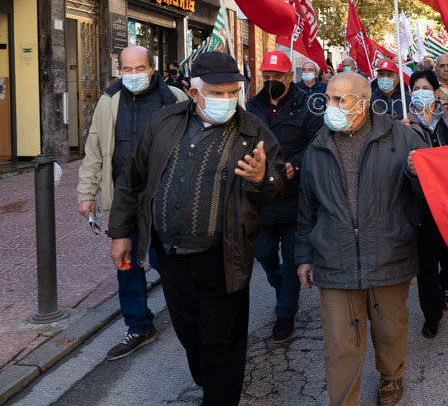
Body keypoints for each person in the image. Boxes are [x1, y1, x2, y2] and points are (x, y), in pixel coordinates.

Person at [108, 51, 285, 406]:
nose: (226, 100)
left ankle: (220, 395)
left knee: (222, 342)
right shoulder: (163, 122)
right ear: (193, 93)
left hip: (223, 257)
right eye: (216, 93)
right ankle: (210, 380)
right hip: (171, 255)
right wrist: (120, 233)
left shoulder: (254, 132)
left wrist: (261, 177)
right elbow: (132, 180)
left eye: (232, 92)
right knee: (191, 334)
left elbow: (277, 185)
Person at [297, 72, 428, 406]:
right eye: (328, 98)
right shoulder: (317, 146)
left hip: (389, 255)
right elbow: (306, 208)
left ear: (363, 102)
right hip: (334, 259)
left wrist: (416, 176)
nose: (331, 107)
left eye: (340, 100)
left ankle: (391, 376)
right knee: (341, 343)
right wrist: (303, 256)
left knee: (390, 331)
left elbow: (430, 198)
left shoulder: (403, 138)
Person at [76, 46, 187, 360]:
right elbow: (95, 150)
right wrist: (86, 193)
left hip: (166, 201)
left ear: (152, 69)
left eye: (139, 68)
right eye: (127, 69)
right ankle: (139, 326)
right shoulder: (109, 101)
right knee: (126, 265)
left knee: (172, 263)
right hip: (126, 203)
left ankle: (189, 321)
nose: (133, 75)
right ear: (119, 70)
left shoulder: (175, 98)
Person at [246, 51, 322, 342]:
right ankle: (281, 287)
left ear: (290, 76)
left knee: (292, 258)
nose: (272, 81)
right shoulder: (253, 105)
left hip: (295, 197)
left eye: (277, 76)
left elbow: (318, 141)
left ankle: (285, 313)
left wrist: (298, 164)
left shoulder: (307, 105)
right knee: (263, 253)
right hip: (263, 197)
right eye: (267, 76)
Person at [404, 69, 448, 338]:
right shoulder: (402, 126)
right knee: (426, 264)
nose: (420, 93)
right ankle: (431, 315)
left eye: (425, 88)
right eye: (415, 88)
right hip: (422, 207)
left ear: (435, 92)